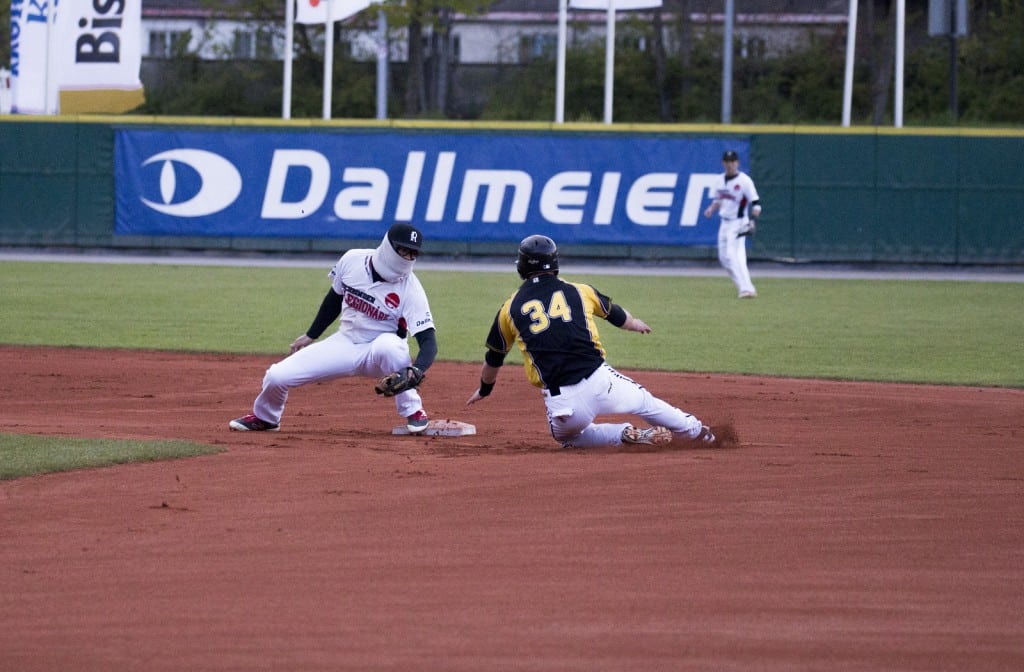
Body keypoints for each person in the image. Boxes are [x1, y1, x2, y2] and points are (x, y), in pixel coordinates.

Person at [466, 234, 716, 449]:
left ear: (521, 267)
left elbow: (493, 359)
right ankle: (698, 432)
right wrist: (635, 323)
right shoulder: (579, 290)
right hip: (601, 382)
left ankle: (622, 435)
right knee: (645, 403)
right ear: (555, 264)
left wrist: (484, 389)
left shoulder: (509, 309)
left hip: (564, 404)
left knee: (569, 438)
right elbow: (617, 315)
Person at [229, 223, 437, 433]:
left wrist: (416, 370)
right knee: (276, 376)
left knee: (390, 348)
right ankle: (266, 418)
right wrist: (312, 334)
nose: (408, 257)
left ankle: (414, 411)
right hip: (344, 343)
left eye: (413, 254)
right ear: (389, 246)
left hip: (379, 352)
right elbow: (334, 299)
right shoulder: (353, 260)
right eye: (403, 250)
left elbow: (428, 341)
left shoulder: (411, 288)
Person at [703, 149, 762, 299]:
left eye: (733, 161)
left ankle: (746, 288)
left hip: (739, 222)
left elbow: (756, 203)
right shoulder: (719, 180)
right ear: (723, 163)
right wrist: (711, 208)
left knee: (733, 255)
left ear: (737, 163)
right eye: (727, 161)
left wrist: (753, 221)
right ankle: (745, 287)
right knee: (723, 258)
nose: (730, 164)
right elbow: (718, 200)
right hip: (725, 222)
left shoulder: (744, 181)